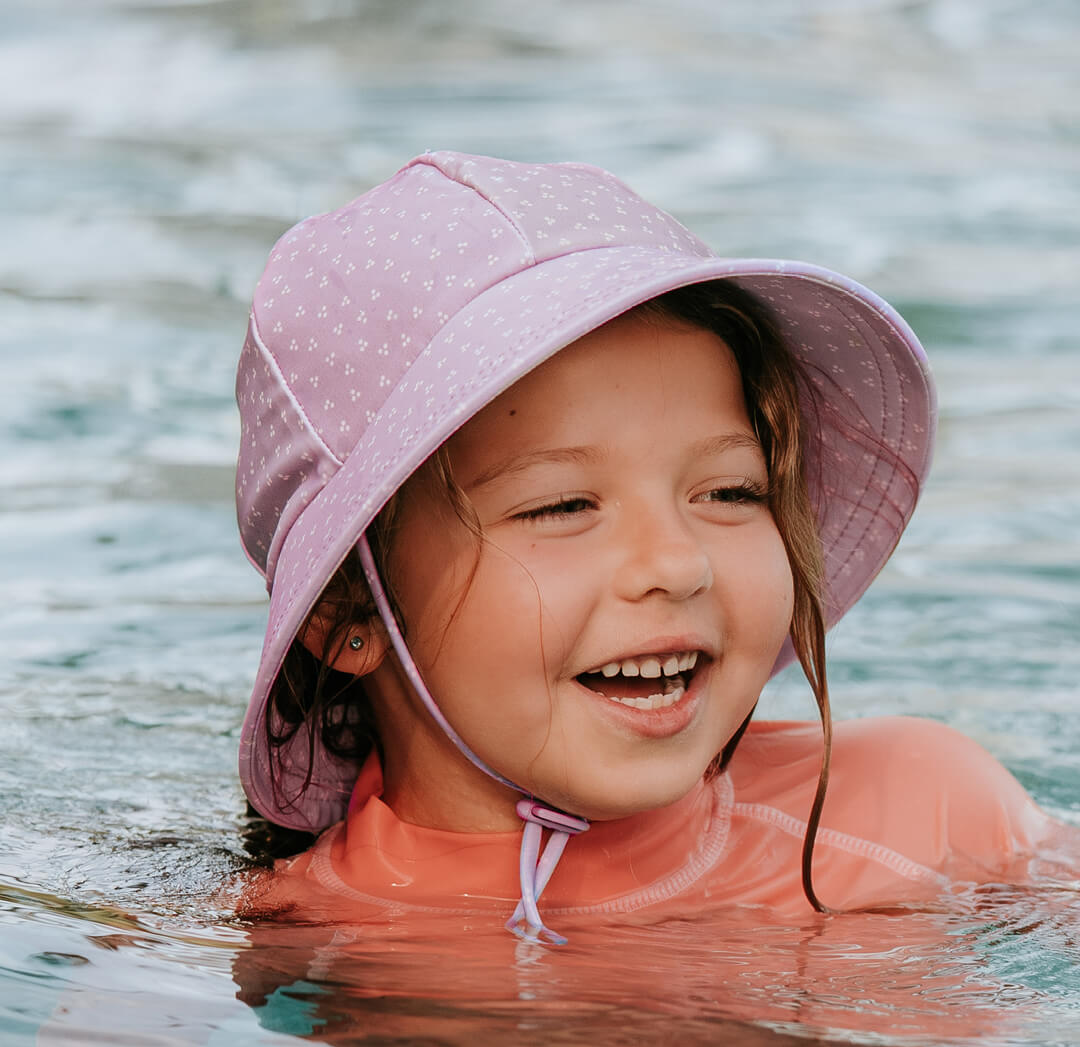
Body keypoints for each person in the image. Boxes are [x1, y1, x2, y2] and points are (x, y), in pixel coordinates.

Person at [234, 151, 1067, 944]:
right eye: (563, 505)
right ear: (348, 607)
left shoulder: (923, 818)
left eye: (732, 492)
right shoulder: (294, 938)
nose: (678, 563)